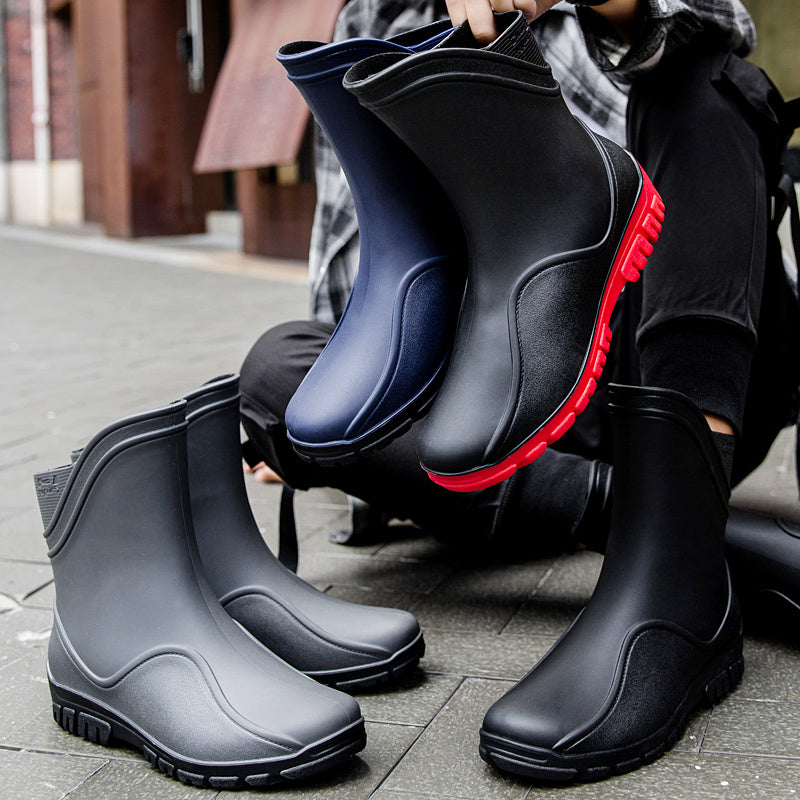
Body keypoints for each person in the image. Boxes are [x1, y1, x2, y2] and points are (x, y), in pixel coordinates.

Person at [238, 0, 800, 782]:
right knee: (276, 376)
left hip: (668, 364)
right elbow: (353, 288)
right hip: (503, 396)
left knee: (708, 76)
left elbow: (719, 17)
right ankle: (669, 530)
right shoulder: (374, 17)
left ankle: (675, 572)